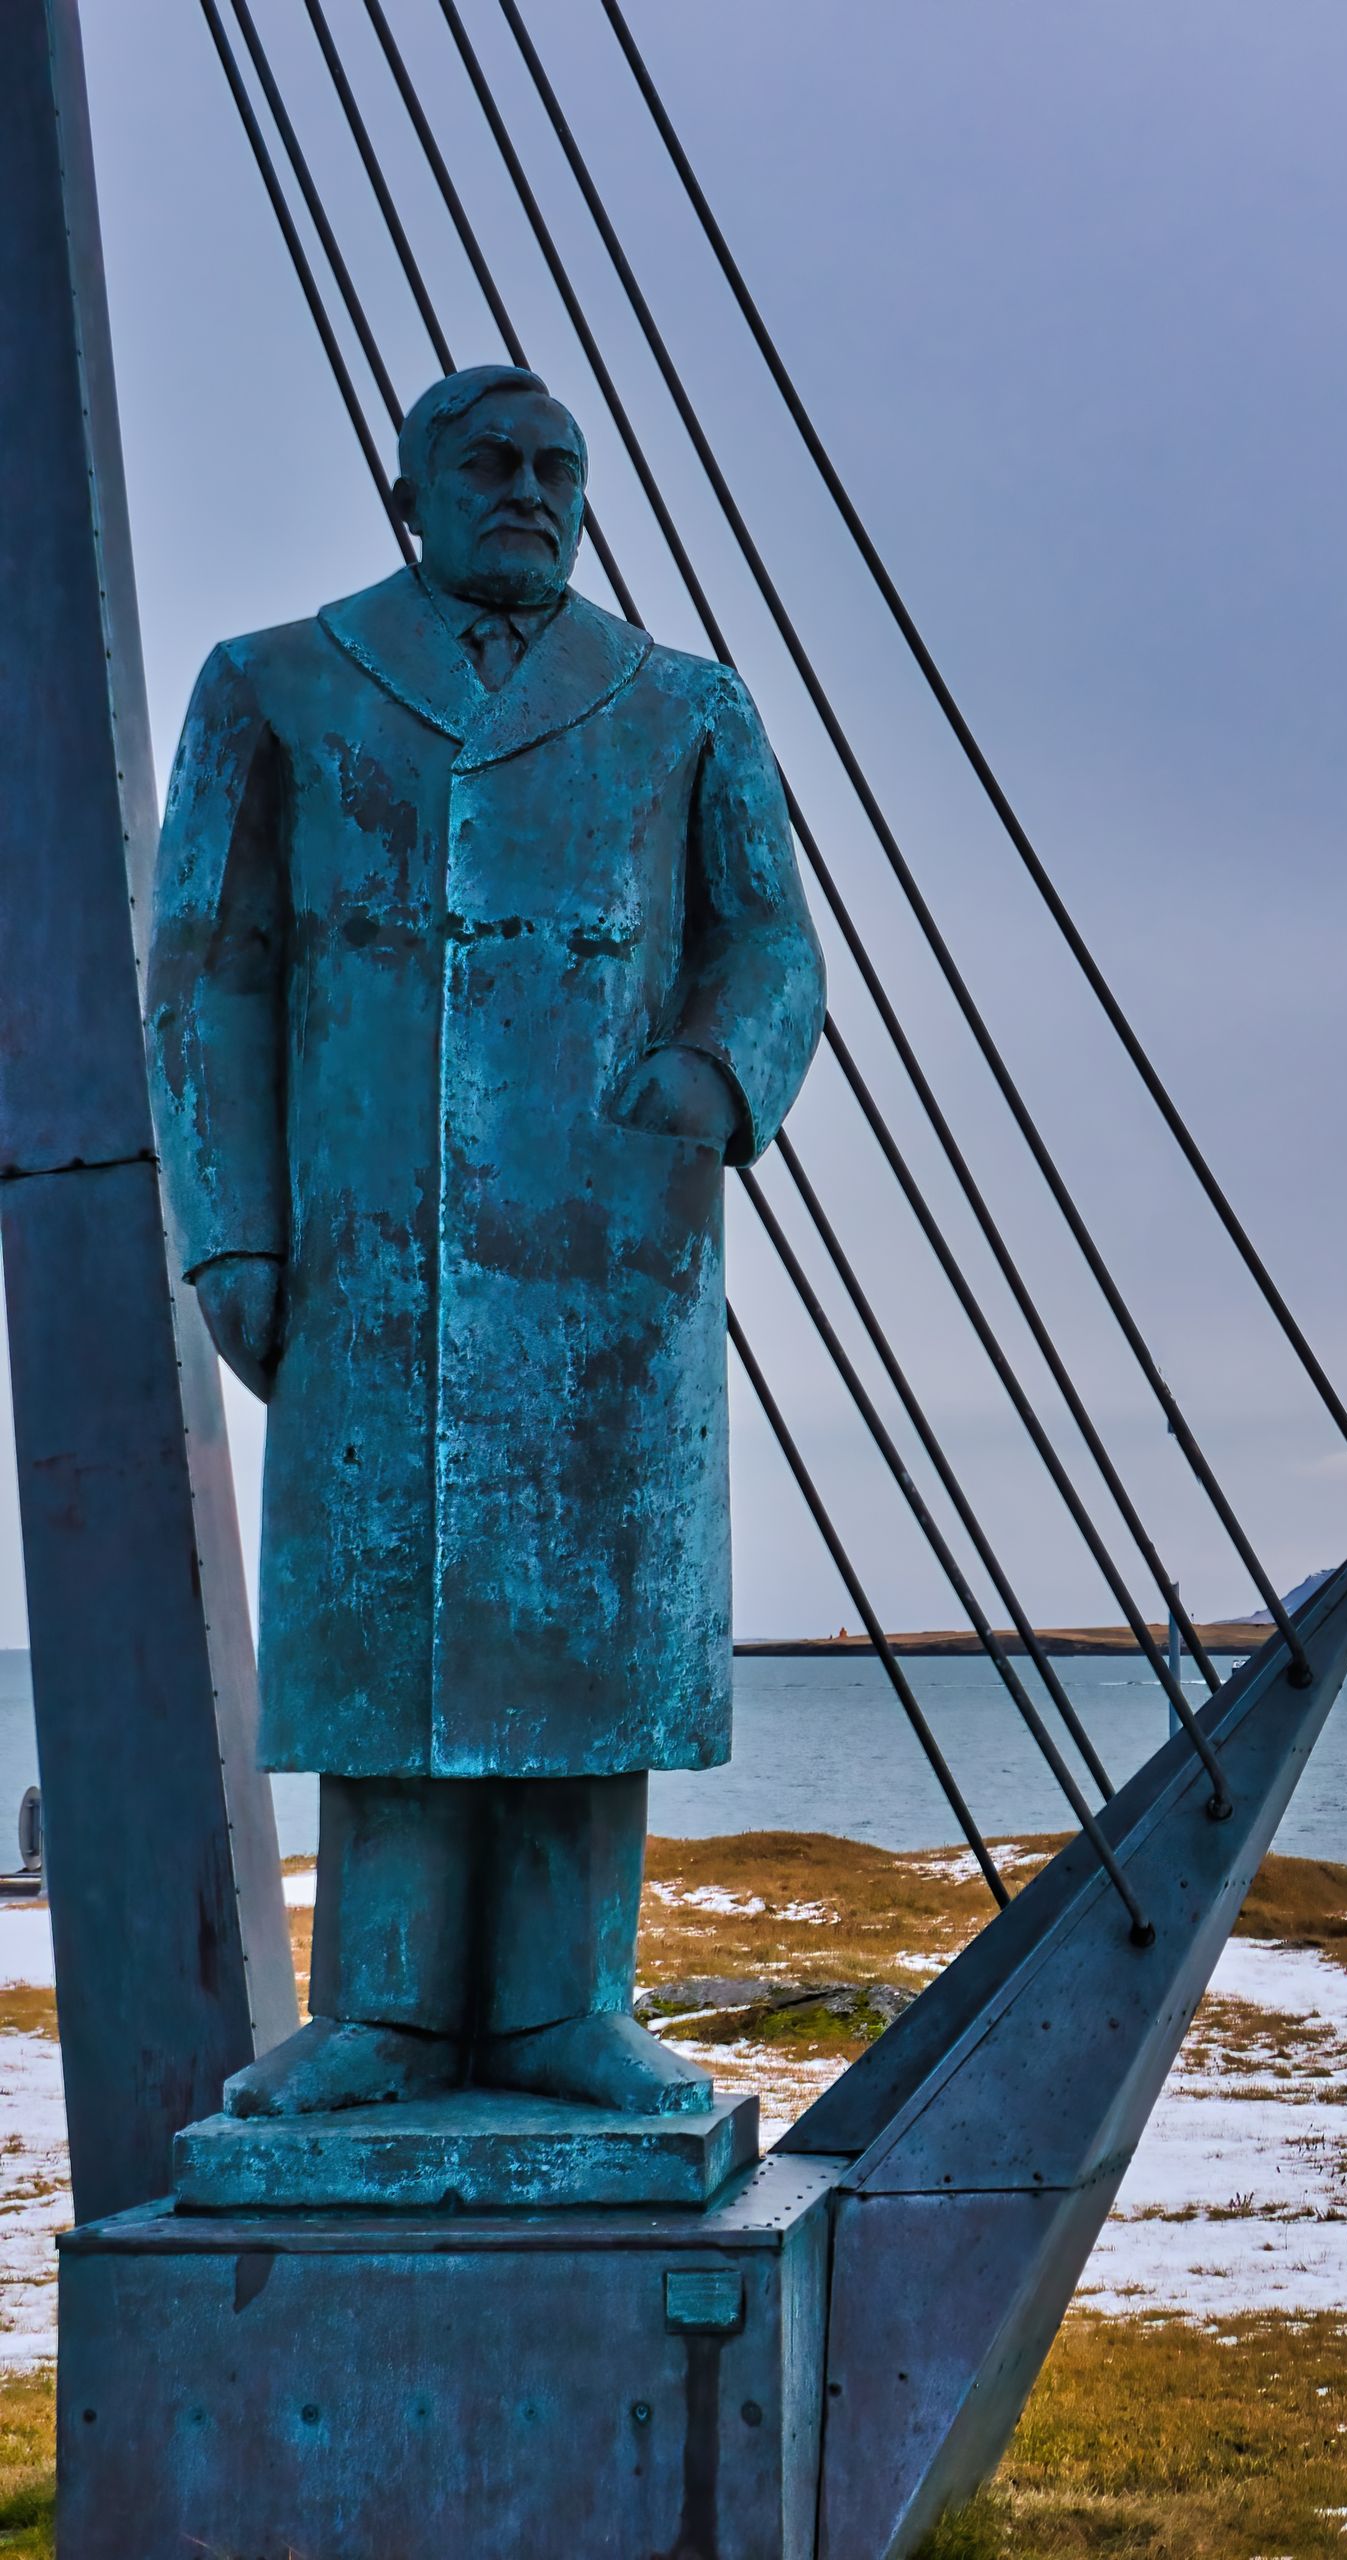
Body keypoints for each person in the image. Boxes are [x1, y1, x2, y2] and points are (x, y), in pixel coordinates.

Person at [144, 364, 823, 2116]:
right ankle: (377, 2008)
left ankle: (562, 2007)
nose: (530, 490)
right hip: (367, 1245)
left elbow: (771, 946)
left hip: (611, 1252)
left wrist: (711, 1073)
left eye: (560, 468)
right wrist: (234, 1231)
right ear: (411, 490)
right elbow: (207, 975)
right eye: (493, 462)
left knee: (585, 1627)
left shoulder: (685, 709)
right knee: (385, 1616)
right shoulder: (275, 689)